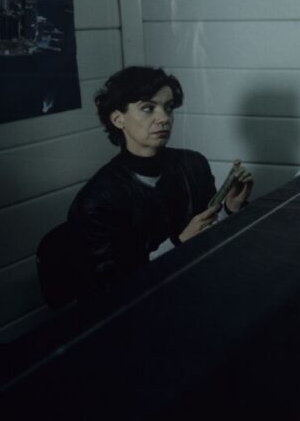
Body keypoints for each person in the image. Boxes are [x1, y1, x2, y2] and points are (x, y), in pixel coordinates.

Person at [66, 66, 252, 296]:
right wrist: (180, 243)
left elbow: (211, 239)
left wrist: (229, 208)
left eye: (168, 107)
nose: (164, 118)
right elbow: (110, 289)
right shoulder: (96, 200)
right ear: (117, 119)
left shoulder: (193, 165)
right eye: (148, 108)